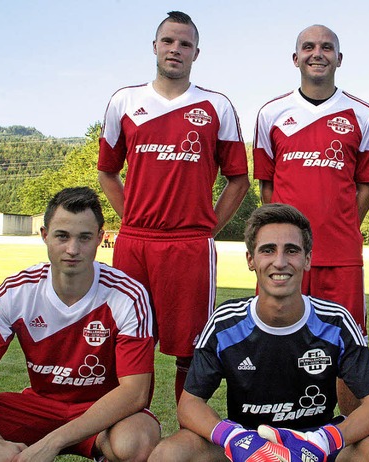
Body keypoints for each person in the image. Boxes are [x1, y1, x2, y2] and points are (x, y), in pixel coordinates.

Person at [149, 204, 369, 462]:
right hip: (248, 446)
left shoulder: (336, 321)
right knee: (170, 453)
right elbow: (189, 405)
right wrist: (234, 439)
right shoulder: (225, 323)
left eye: (292, 250)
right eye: (268, 250)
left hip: (315, 447)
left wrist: (321, 441)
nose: (280, 262)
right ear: (251, 260)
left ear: (307, 259)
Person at [98, 11, 249, 401]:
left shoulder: (216, 106)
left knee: (190, 348)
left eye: (184, 44)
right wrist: (129, 217)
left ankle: (188, 434)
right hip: (135, 243)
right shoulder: (125, 101)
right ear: (154, 47)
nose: (175, 50)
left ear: (196, 53)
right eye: (168, 41)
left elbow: (239, 179)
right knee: (133, 342)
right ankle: (131, 428)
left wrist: (207, 228)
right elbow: (107, 173)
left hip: (189, 245)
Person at [0, 187, 159, 461]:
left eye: (84, 238)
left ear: (100, 238)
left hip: (101, 413)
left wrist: (51, 443)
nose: (72, 249)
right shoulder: (18, 291)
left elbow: (134, 393)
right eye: (62, 236)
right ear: (44, 236)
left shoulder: (127, 294)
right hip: (38, 406)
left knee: (136, 440)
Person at [253, 24, 369, 339]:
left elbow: (365, 186)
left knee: (347, 348)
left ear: (339, 58)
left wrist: (340, 223)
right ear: (295, 58)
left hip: (341, 256)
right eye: (309, 47)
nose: (317, 54)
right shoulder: (270, 113)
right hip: (284, 256)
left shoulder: (363, 114)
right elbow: (267, 186)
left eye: (326, 47)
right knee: (275, 341)